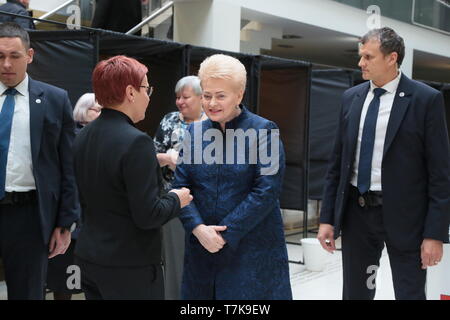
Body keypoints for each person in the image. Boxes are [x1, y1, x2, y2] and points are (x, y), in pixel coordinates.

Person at [317, 27, 450, 300]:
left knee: (410, 292)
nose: (360, 63)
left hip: (407, 217)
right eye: (360, 56)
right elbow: (337, 164)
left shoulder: (425, 100)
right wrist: (327, 218)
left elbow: (441, 173)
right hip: (358, 213)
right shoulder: (350, 98)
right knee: (356, 292)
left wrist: (435, 234)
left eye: (368, 56)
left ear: (392, 58)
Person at [172, 54, 292, 299]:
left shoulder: (263, 131)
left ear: (239, 95)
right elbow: (180, 187)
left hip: (251, 250)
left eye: (221, 96)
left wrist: (225, 233)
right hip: (202, 250)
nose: (212, 103)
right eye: (207, 95)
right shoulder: (193, 133)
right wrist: (197, 228)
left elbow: (266, 191)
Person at [73, 55, 193, 300]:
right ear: (130, 92)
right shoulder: (136, 142)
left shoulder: (83, 136)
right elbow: (148, 214)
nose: (149, 96)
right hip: (129, 265)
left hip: (89, 257)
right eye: (146, 89)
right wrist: (176, 199)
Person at [0, 22, 78, 300]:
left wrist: (66, 223)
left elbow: (67, 166)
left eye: (15, 56)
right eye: (0, 56)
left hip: (30, 216)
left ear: (30, 56)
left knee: (28, 293)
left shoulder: (54, 100)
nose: (7, 64)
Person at [154, 75, 207, 300]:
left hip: (205, 200)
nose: (180, 102)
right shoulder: (169, 121)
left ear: (201, 97)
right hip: (172, 198)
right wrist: (167, 157)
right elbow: (150, 155)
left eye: (185, 97)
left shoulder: (212, 122)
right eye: (177, 98)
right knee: (175, 257)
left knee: (204, 256)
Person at [46, 93, 101, 300]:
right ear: (83, 110)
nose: (101, 113)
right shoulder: (74, 136)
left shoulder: (100, 135)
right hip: (74, 214)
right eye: (97, 109)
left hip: (92, 218)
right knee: (66, 277)